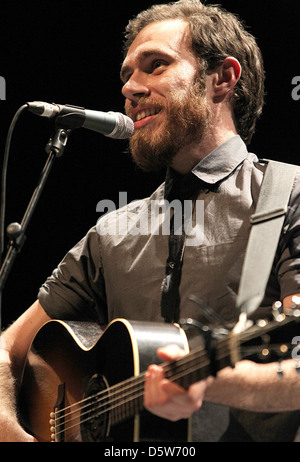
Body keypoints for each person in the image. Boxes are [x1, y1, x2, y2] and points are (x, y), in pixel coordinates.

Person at [1, 0, 300, 442]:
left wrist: (209, 381)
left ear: (222, 78)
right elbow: (8, 348)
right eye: (126, 76)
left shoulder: (289, 195)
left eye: (155, 66)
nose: (130, 89)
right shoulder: (111, 233)